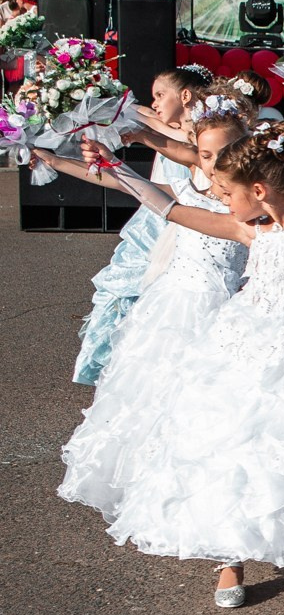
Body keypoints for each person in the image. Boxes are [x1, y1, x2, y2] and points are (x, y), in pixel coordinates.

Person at [61, 121, 284, 607]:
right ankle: (231, 555)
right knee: (234, 447)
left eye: (227, 192)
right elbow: (169, 209)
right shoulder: (248, 227)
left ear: (258, 190)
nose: (221, 200)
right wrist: (116, 168)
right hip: (246, 339)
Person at [69, 66, 213, 384]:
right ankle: (114, 367)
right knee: (121, 289)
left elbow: (154, 123)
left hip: (184, 225)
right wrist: (84, 92)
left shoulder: (197, 136)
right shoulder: (162, 125)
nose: (155, 103)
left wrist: (130, 114)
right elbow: (142, 113)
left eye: (161, 94)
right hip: (151, 221)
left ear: (186, 96)